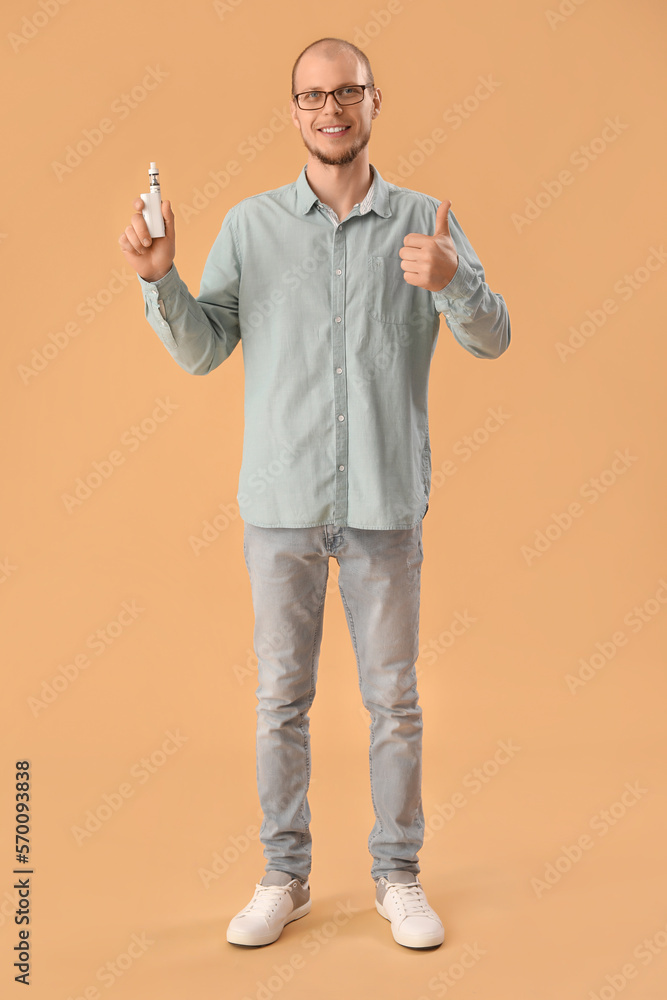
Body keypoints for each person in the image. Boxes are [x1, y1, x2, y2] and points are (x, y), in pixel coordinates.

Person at [118, 36, 510, 951]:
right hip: (281, 506)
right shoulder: (252, 228)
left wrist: (453, 287)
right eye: (312, 96)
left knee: (394, 702)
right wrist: (158, 280)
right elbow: (205, 347)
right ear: (293, 111)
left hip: (382, 503)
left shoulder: (425, 223)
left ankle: (397, 876)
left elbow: (492, 338)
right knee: (277, 702)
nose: (330, 109)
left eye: (348, 92)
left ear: (377, 101)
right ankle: (283, 878)